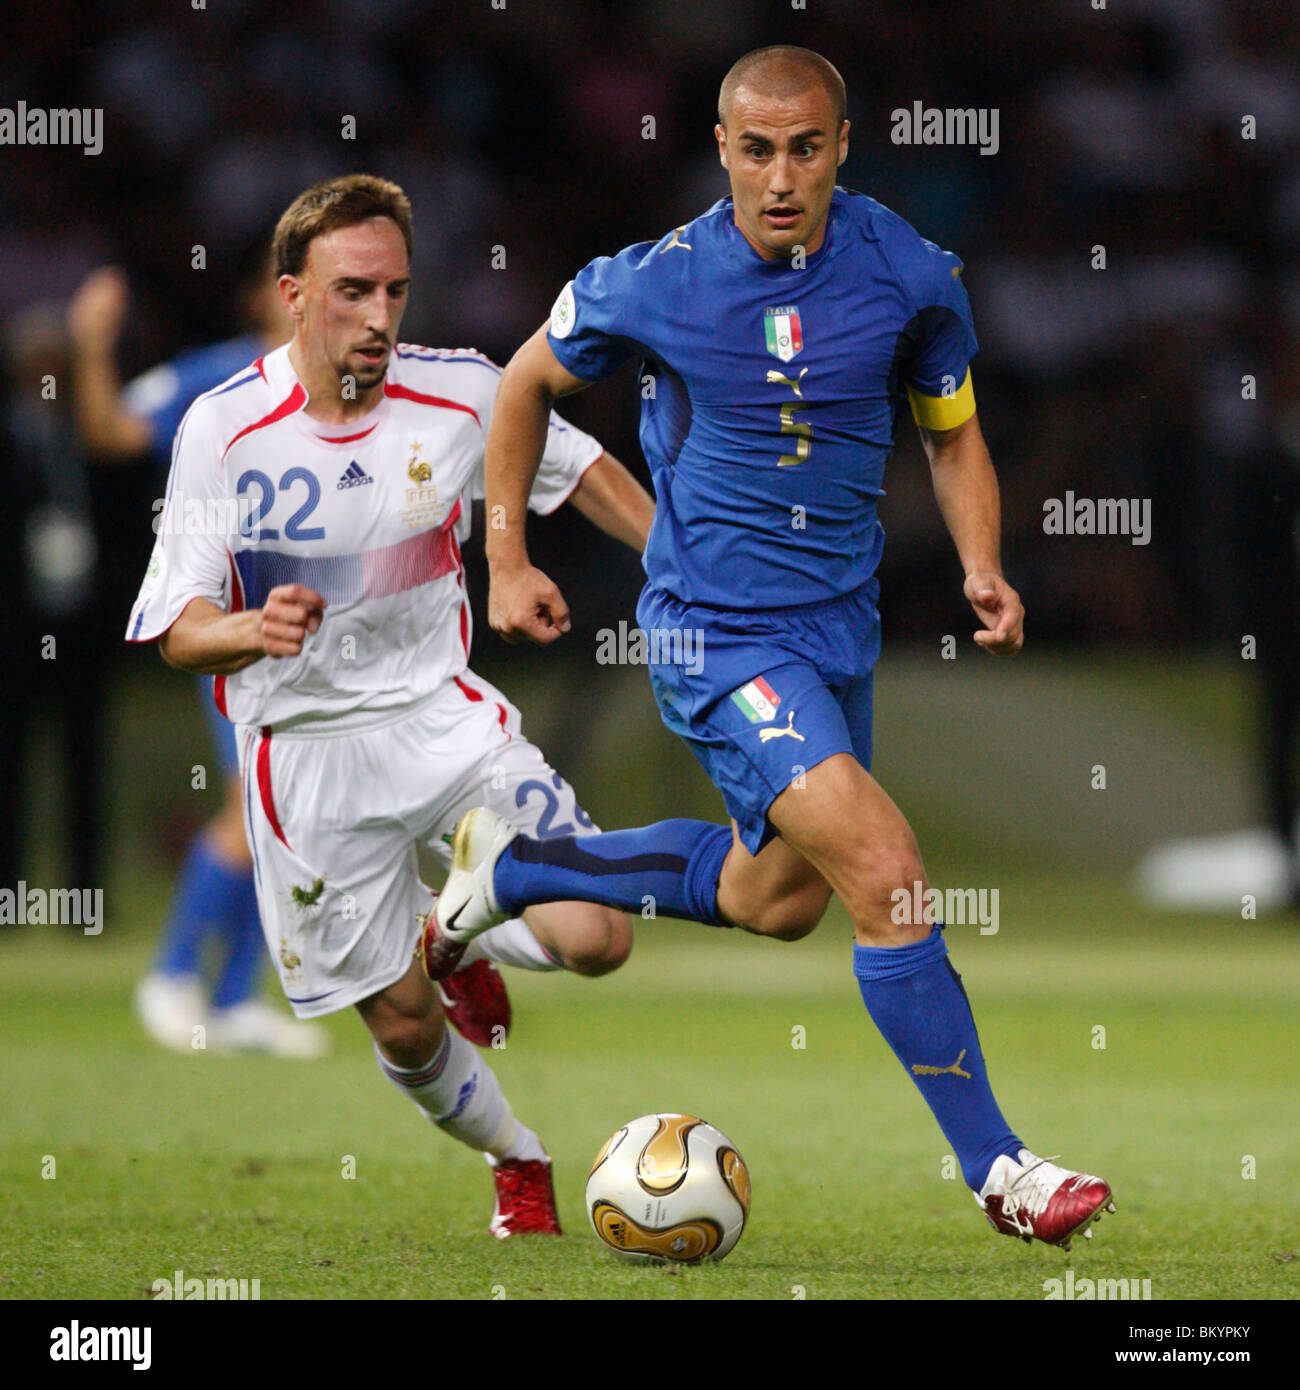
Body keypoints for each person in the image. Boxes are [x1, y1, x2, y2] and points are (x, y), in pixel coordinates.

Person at [428, 46, 1115, 1249]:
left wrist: (982, 563)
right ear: (722, 148)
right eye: (757, 149)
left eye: (806, 147)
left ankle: (520, 870)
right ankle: (999, 1166)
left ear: (843, 145)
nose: (781, 175)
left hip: (834, 632)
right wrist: (508, 558)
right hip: (712, 630)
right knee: (888, 868)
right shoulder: (656, 281)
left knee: (775, 899)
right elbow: (522, 387)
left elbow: (951, 433)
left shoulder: (908, 271)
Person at [125, 174, 651, 1234]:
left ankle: (453, 925)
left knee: (598, 935)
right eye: (353, 291)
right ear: (292, 293)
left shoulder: (462, 391)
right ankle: (519, 1156)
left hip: (444, 721)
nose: (378, 317)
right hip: (301, 758)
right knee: (406, 1028)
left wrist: (688, 573)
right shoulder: (224, 429)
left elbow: (583, 466)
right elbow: (174, 628)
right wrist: (250, 628)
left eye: (395, 292)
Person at [68, 247, 328, 1057]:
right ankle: (172, 976)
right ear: (268, 293)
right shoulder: (214, 381)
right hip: (237, 626)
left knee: (302, 822)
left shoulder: (354, 389)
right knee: (252, 809)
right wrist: (88, 346)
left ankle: (232, 995)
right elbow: (110, 432)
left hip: (326, 636)